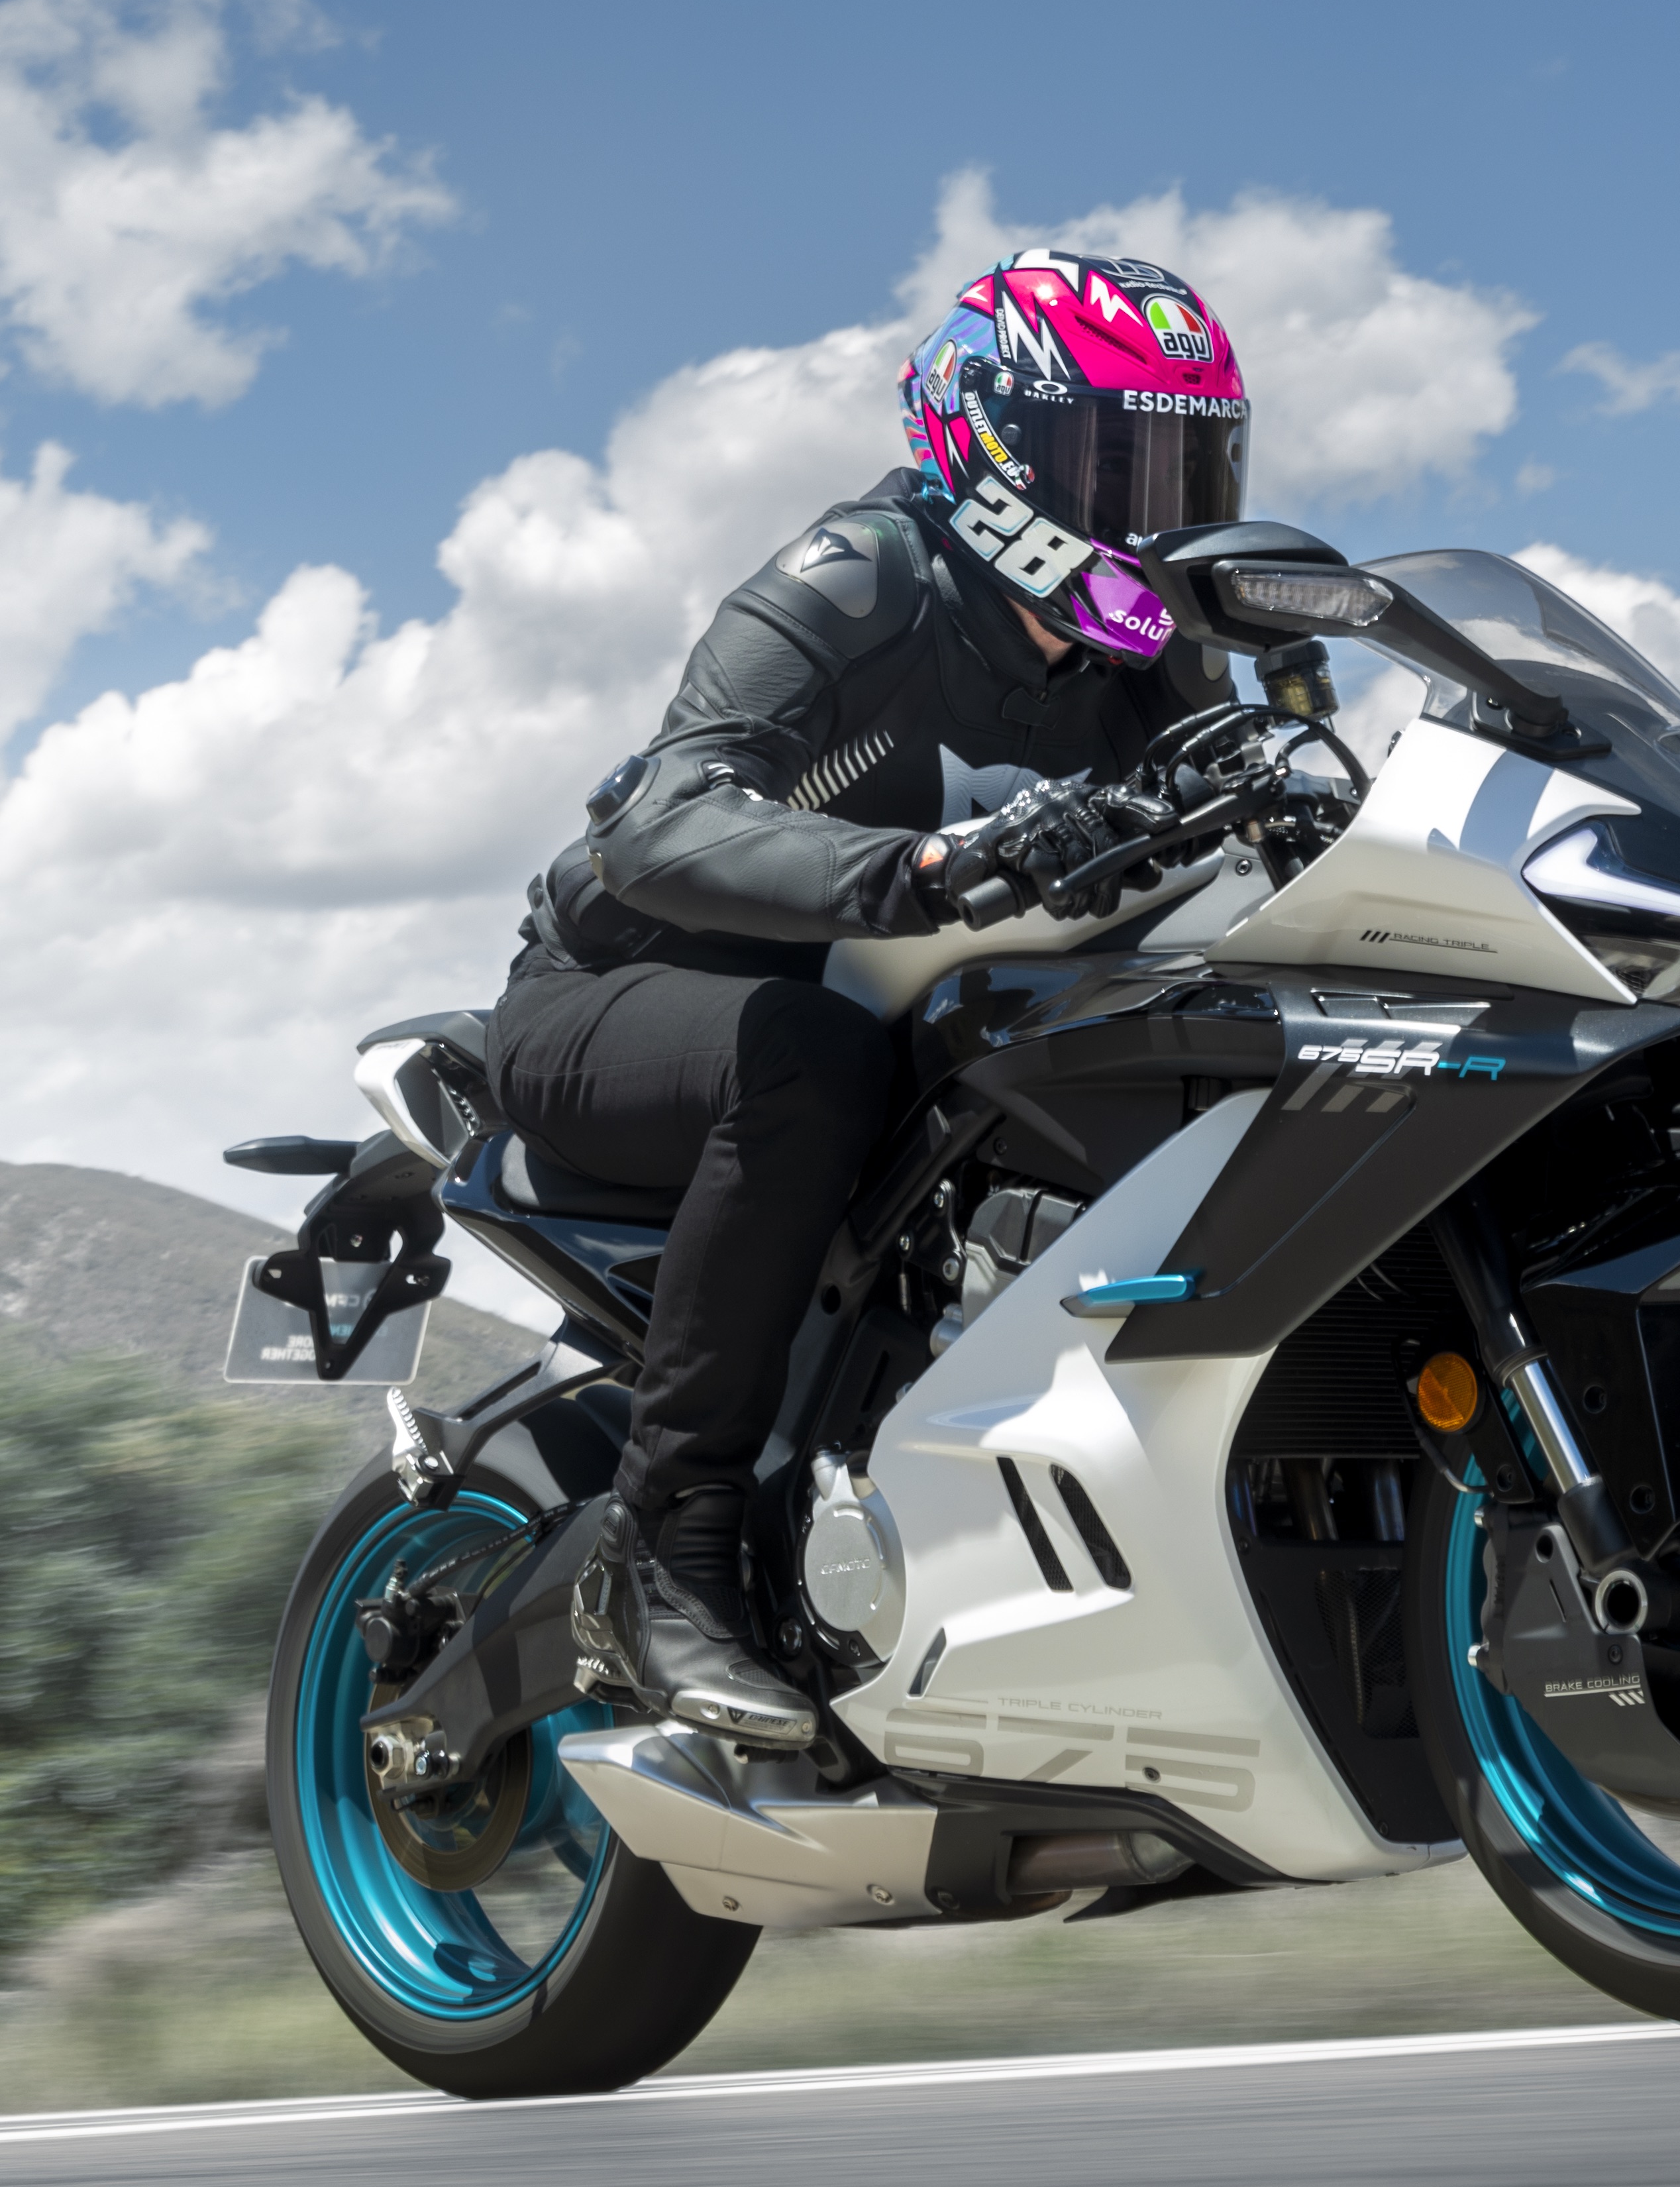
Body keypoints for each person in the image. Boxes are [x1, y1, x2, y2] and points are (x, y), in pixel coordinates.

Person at [492, 249, 1255, 1744]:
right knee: (812, 1058)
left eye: (1186, 464)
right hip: (620, 993)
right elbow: (654, 821)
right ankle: (667, 1553)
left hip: (894, 1022)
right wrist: (919, 865)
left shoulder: (1159, 652)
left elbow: (1267, 806)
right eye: (1113, 461)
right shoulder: (867, 574)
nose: (1149, 509)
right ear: (992, 439)